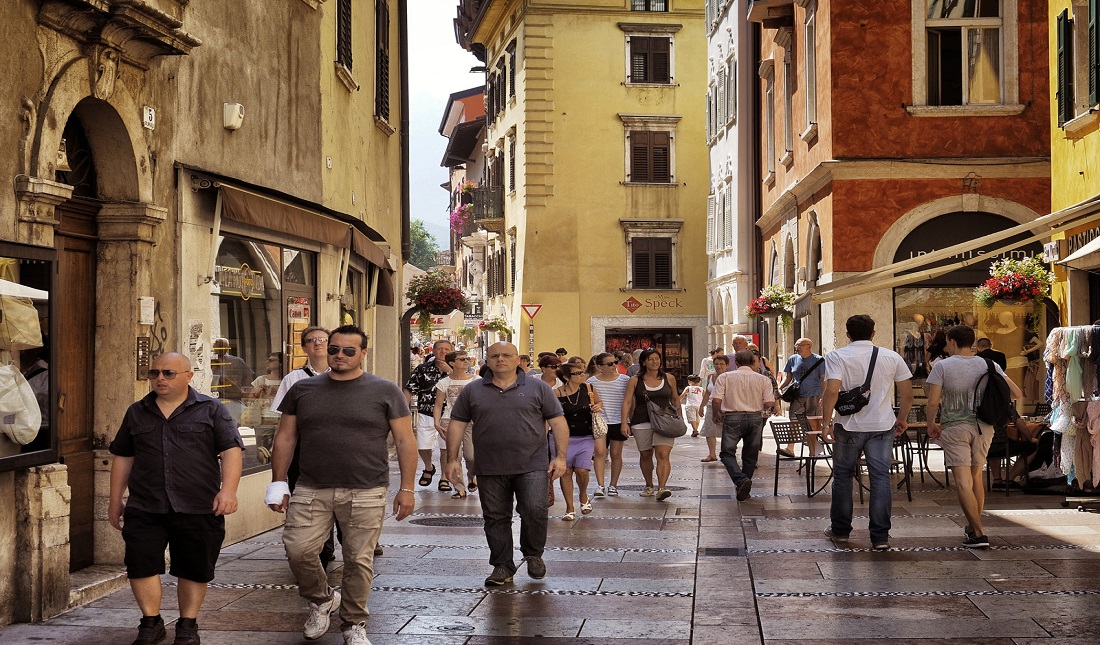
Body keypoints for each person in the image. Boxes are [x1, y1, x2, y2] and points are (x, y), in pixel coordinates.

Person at [267, 325, 417, 645]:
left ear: (363, 353)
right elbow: (285, 436)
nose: (339, 355)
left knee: (358, 559)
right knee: (298, 550)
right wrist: (278, 481)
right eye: (334, 349)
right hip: (311, 486)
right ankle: (322, 600)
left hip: (366, 488)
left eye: (349, 351)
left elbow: (405, 441)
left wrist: (407, 488)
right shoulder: (303, 389)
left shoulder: (385, 390)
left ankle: (353, 623)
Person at [108, 352, 243, 645]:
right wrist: (115, 499)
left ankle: (187, 625)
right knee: (140, 563)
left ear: (188, 377)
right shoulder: (136, 411)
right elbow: (123, 456)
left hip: (198, 504)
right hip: (145, 504)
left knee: (194, 566)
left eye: (168, 373)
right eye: (154, 373)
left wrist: (228, 490)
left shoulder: (212, 409)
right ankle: (151, 622)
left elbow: (232, 450)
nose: (159, 378)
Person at [444, 342, 569, 586]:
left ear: (517, 359)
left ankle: (533, 554)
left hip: (532, 464)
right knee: (495, 517)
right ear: (487, 360)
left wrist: (560, 456)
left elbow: (558, 422)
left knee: (535, 510)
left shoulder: (538, 388)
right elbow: (457, 424)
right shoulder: (473, 391)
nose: (501, 359)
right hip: (489, 465)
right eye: (495, 355)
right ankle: (502, 566)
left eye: (506, 355)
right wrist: (452, 460)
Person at [821, 315, 913, 551]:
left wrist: (825, 423)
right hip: (882, 425)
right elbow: (907, 393)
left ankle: (841, 531)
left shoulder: (837, 356)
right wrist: (901, 419)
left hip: (849, 425)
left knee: (843, 477)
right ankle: (880, 537)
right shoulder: (892, 356)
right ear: (874, 333)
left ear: (847, 333)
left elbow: (832, 391)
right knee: (880, 478)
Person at [925, 325, 1022, 549]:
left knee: (962, 479)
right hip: (984, 427)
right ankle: (973, 527)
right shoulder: (989, 364)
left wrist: (932, 423)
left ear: (951, 342)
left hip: (955, 427)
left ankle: (979, 533)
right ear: (972, 343)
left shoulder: (942, 366)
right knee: (976, 476)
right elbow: (1016, 393)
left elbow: (933, 401)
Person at [709, 350, 775, 501]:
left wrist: (715, 414)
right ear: (753, 362)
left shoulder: (725, 377)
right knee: (750, 455)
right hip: (755, 418)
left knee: (727, 453)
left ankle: (740, 480)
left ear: (736, 363)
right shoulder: (763, 379)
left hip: (733, 417)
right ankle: (744, 484)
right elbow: (769, 402)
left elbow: (716, 400)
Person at [622, 348, 681, 500]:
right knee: (646, 454)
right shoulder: (635, 380)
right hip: (641, 420)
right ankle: (649, 485)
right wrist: (624, 422)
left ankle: (662, 487)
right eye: (651, 359)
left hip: (665, 421)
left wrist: (679, 416)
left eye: (657, 359)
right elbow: (628, 401)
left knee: (663, 454)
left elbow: (675, 398)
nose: (655, 362)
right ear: (643, 362)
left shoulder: (669, 378)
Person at [553, 363, 603, 519]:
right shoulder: (556, 394)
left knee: (582, 470)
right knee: (565, 471)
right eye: (577, 373)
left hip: (585, 436)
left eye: (582, 372)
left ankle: (583, 495)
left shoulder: (588, 389)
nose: (582, 375)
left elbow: (599, 402)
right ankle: (569, 508)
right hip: (563, 438)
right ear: (567, 377)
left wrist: (598, 407)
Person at [403, 339, 454, 492]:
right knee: (423, 445)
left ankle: (444, 477)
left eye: (446, 349)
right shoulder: (422, 369)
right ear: (433, 350)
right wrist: (404, 410)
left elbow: (467, 386)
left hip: (449, 414)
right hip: (426, 411)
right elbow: (409, 388)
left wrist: (451, 372)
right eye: (440, 349)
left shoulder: (458, 368)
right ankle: (428, 466)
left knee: (446, 447)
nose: (443, 352)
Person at [433, 350, 480, 498]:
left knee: (471, 456)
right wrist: (436, 422)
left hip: (471, 421)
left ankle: (472, 476)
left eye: (467, 359)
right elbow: (439, 404)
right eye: (462, 359)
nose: (466, 361)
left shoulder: (476, 380)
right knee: (454, 457)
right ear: (452, 363)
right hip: (449, 420)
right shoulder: (444, 383)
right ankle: (459, 487)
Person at [587, 352, 630, 496]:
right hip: (600, 421)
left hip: (618, 420)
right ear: (599, 366)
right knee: (599, 453)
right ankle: (600, 485)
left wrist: (626, 421)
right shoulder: (591, 382)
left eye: (615, 362)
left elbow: (629, 401)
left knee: (616, 454)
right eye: (610, 364)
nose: (614, 366)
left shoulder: (625, 380)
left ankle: (613, 485)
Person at [778, 338, 826, 457]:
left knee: (813, 423)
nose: (797, 348)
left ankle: (813, 451)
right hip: (797, 395)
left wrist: (823, 396)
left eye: (800, 345)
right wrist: (780, 388)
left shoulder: (819, 360)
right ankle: (790, 448)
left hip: (814, 395)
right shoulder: (792, 359)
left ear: (809, 346)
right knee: (794, 420)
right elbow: (788, 377)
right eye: (796, 345)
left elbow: (824, 379)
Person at [697, 354, 730, 463]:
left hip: (726, 407)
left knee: (727, 432)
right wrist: (702, 406)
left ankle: (727, 454)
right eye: (716, 364)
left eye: (721, 364)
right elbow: (707, 392)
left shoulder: (730, 377)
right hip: (711, 406)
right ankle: (712, 454)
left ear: (727, 365)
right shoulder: (711, 376)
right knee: (709, 430)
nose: (718, 366)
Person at [210, 337, 254, 418]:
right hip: (215, 397)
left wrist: (247, 392)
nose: (219, 347)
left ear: (227, 347)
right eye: (217, 345)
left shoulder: (237, 361)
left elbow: (248, 376)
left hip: (233, 398)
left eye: (221, 345)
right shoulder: (209, 361)